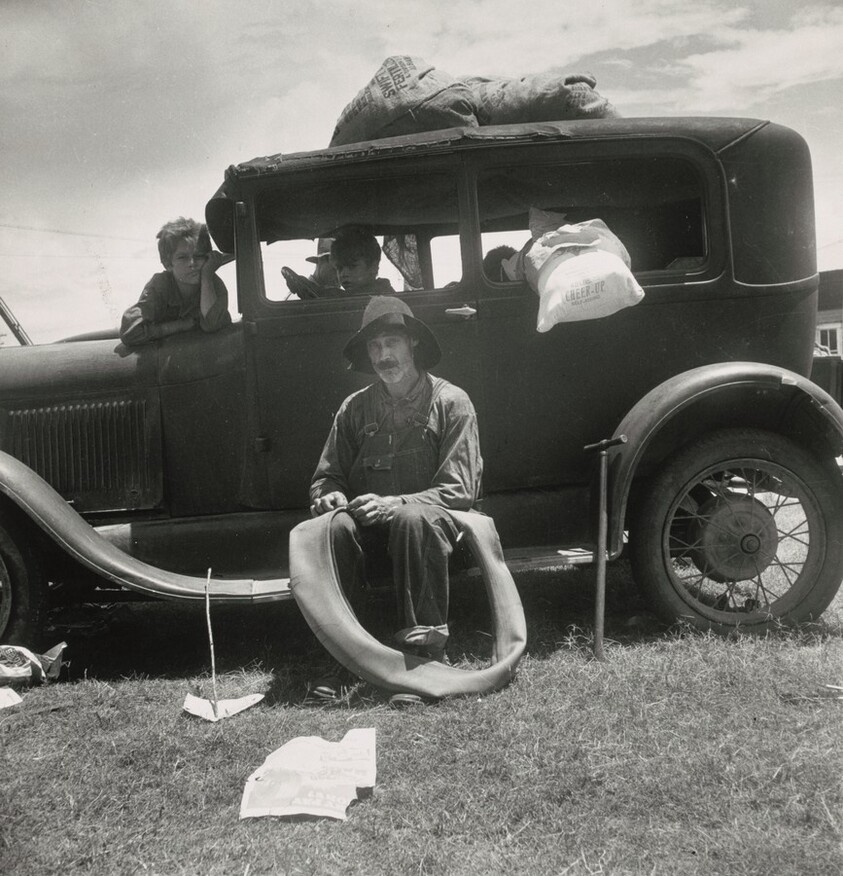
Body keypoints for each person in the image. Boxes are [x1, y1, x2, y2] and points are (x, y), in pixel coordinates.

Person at [309, 296, 482, 672]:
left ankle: (424, 658)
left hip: (437, 535)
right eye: (374, 346)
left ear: (413, 343)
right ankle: (345, 653)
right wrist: (329, 495)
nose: (383, 355)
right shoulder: (354, 408)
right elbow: (327, 476)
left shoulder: (452, 402)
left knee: (412, 519)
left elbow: (458, 491)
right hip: (372, 532)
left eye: (392, 343)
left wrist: (396, 504)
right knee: (335, 526)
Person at [120, 217, 232, 346]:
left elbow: (212, 324)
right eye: (182, 257)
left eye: (199, 255)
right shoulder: (160, 285)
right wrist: (180, 326)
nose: (192, 263)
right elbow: (130, 332)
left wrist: (207, 277)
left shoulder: (213, 284)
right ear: (168, 264)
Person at [329, 225, 397, 296]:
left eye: (352, 266)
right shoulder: (342, 298)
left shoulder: (386, 298)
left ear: (373, 267)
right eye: (339, 268)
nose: (343, 274)